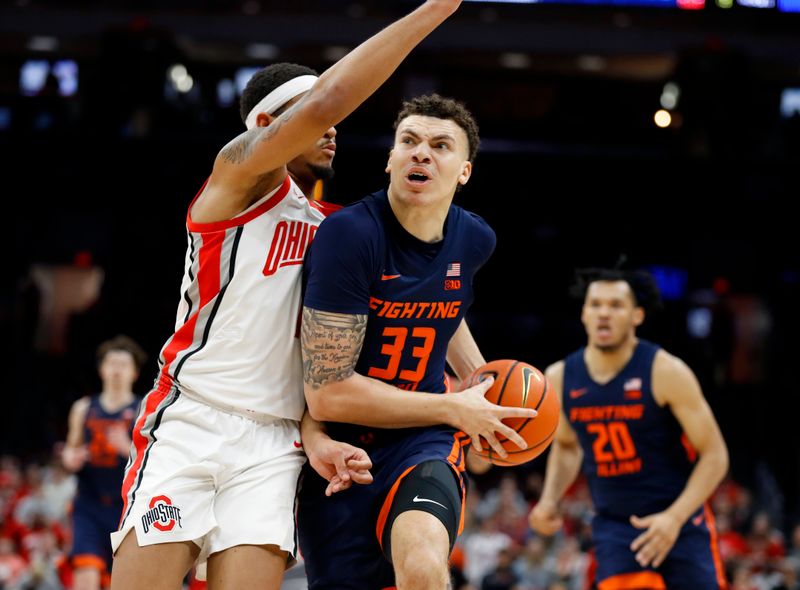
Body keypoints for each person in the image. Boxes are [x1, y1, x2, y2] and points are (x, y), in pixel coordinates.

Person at [109, 3, 469, 590]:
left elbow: (419, 295)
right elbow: (328, 100)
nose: (329, 126)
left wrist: (475, 375)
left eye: (326, 117)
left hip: (278, 442)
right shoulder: (233, 183)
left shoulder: (341, 227)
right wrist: (436, 8)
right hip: (193, 418)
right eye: (301, 114)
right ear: (263, 128)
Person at [298, 93, 538, 590]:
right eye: (408, 141)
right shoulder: (348, 236)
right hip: (338, 445)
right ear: (389, 160)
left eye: (440, 145)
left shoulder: (475, 239)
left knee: (425, 562)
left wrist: (484, 386)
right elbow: (329, 393)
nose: (421, 152)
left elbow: (447, 312)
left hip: (421, 443)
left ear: (464, 171)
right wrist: (453, 406)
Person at [528, 267, 730, 590]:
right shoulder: (560, 377)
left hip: (681, 521)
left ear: (637, 315)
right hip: (616, 528)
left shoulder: (666, 371)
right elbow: (567, 445)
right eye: (595, 305)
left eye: (615, 305)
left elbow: (715, 456)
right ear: (583, 313)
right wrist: (550, 499)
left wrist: (674, 518)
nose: (603, 314)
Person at [62, 335, 145, 590]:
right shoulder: (83, 407)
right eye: (112, 363)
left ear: (134, 372)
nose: (117, 369)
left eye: (123, 364)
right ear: (101, 370)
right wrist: (70, 459)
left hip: (126, 508)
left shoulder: (145, 409)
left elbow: (154, 460)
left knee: (124, 581)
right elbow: (70, 450)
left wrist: (127, 449)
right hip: (89, 503)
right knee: (85, 575)